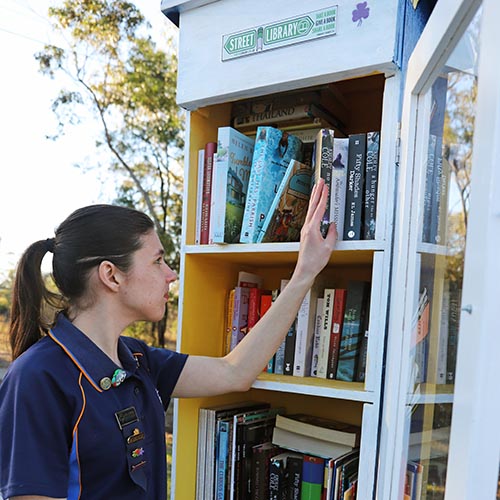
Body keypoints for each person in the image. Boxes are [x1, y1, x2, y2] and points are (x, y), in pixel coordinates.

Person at [0, 178, 337, 500]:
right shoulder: (37, 379)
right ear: (111, 275)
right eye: (158, 260)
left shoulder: (136, 359)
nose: (171, 274)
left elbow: (236, 371)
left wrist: (304, 274)